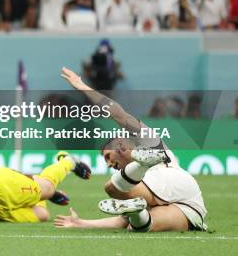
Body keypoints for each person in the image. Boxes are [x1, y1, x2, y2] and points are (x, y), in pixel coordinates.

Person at [54, 67, 207, 232]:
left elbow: (117, 113)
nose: (109, 164)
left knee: (112, 188)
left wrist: (83, 87)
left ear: (119, 144)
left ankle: (141, 164)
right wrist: (81, 223)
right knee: (138, 225)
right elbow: (119, 222)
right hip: (189, 203)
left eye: (107, 157)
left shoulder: (146, 139)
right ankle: (138, 210)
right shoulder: (134, 184)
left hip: (168, 177)